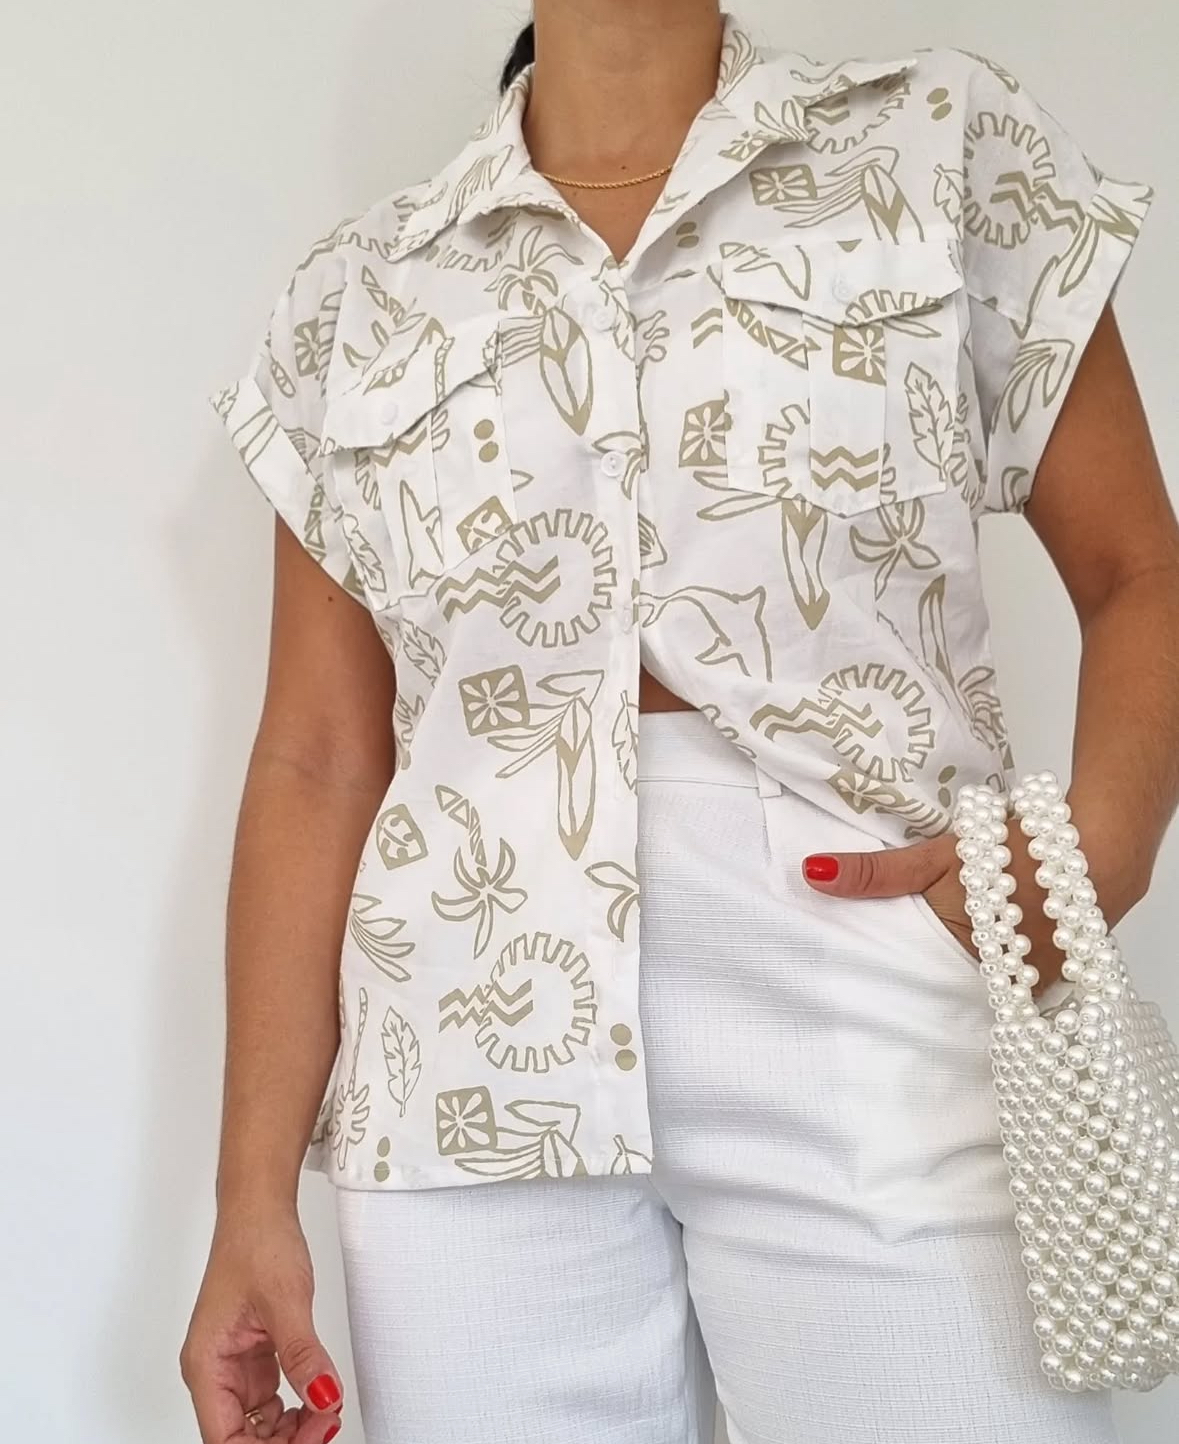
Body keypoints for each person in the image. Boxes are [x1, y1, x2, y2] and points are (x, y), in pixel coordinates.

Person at [181, 4, 1179, 1441]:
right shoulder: (361, 293)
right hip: (468, 1040)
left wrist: (1090, 855)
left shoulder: (937, 140)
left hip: (867, 979)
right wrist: (249, 1198)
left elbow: (1141, 571)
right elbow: (319, 758)